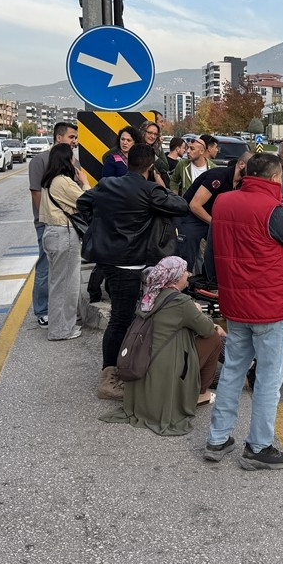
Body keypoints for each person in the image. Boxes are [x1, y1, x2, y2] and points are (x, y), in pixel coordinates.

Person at [204, 153, 283, 470]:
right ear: (276, 178)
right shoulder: (274, 211)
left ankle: (218, 439)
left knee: (232, 370)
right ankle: (258, 446)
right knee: (268, 379)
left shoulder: (223, 202)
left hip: (235, 305)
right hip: (269, 308)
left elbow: (211, 257)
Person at [77, 144, 190, 400]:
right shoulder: (149, 191)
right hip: (129, 264)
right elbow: (181, 205)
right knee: (121, 319)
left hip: (109, 260)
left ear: (128, 162)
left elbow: (82, 203)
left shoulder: (107, 184)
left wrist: (102, 228)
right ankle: (109, 378)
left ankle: (125, 368)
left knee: (125, 318)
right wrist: (159, 182)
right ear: (150, 165)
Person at [102, 257, 226, 435]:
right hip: (162, 371)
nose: (188, 274)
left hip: (140, 366)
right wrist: (199, 312)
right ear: (175, 278)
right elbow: (206, 330)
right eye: (184, 271)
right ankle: (200, 393)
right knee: (213, 338)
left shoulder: (149, 295)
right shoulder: (180, 302)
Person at [29, 121, 81, 328]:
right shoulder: (39, 161)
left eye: (75, 138)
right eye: (71, 137)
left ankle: (66, 311)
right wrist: (47, 218)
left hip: (69, 224)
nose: (74, 141)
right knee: (45, 267)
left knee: (67, 271)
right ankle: (42, 309)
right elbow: (36, 193)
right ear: (59, 137)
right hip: (48, 223)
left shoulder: (73, 162)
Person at [39, 144, 86, 340]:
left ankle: (60, 326)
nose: (74, 160)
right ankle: (60, 330)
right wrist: (84, 182)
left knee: (57, 283)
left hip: (51, 233)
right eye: (72, 156)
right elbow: (87, 201)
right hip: (63, 234)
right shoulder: (63, 182)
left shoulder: (49, 180)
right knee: (66, 285)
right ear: (67, 160)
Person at [178, 151, 251, 278]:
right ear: (241, 165)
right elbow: (195, 205)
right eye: (252, 169)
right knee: (186, 260)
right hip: (191, 217)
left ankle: (208, 280)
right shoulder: (218, 177)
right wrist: (216, 222)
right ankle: (182, 283)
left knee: (220, 251)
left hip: (210, 219)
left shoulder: (240, 183)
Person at [140, 120, 170, 185]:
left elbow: (165, 167)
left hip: (156, 185)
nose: (153, 136)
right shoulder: (136, 147)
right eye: (150, 133)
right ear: (143, 132)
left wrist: (152, 154)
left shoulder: (158, 146)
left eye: (155, 134)